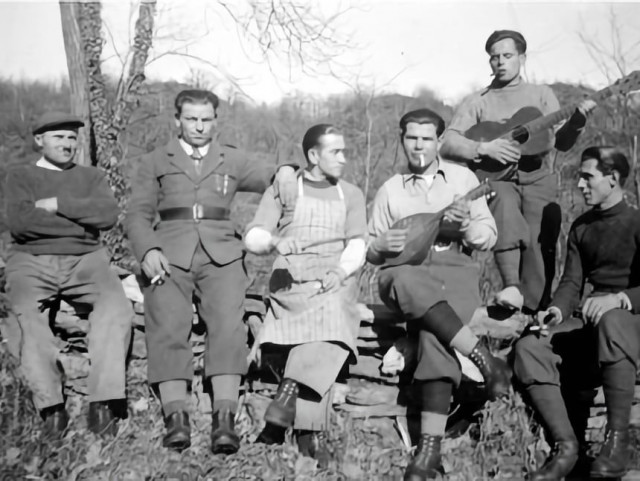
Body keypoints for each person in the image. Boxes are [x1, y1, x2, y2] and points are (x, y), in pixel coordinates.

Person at [126, 89, 300, 453]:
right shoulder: (155, 161)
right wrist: (148, 249)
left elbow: (274, 174)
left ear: (215, 120)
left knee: (227, 325)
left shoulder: (231, 158)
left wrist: (286, 168)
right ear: (177, 120)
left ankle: (224, 419)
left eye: (206, 119)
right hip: (169, 252)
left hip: (221, 253)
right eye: (191, 119)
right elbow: (138, 213)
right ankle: (177, 417)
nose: (199, 126)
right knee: (167, 324)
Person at [367, 108, 511, 481]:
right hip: (403, 274)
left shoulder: (464, 179)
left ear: (439, 142)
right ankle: (483, 359)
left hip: (453, 273)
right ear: (402, 140)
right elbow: (369, 251)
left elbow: (488, 236)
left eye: (427, 138)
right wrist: (380, 244)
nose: (419, 145)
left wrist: (465, 228)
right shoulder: (391, 189)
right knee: (404, 279)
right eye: (412, 137)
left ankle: (428, 454)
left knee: (434, 333)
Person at [440, 29, 596, 312]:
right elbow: (448, 142)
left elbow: (562, 142)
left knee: (540, 238)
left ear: (522, 58)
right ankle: (511, 288)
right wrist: (483, 149)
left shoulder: (541, 94)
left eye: (507, 56)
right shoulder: (479, 100)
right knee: (505, 207)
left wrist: (576, 122)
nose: (500, 62)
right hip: (497, 179)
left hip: (536, 176)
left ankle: (536, 311)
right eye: (494, 57)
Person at [3, 111, 134, 439]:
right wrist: (78, 214)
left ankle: (102, 402)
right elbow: (21, 224)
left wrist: (53, 203)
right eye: (59, 136)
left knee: (116, 309)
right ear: (39, 140)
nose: (67, 143)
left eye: (72, 137)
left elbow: (106, 216)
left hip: (87, 260)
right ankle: (51, 407)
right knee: (25, 317)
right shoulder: (20, 176)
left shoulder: (92, 177)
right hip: (31, 260)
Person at [244, 124, 367, 466]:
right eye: (335, 152)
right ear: (313, 156)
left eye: (344, 151)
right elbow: (253, 235)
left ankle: (286, 402)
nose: (344, 158)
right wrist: (274, 241)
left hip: (330, 281)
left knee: (334, 312)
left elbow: (358, 244)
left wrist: (340, 271)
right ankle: (308, 434)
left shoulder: (351, 194)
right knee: (321, 331)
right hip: (291, 284)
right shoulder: (286, 188)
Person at [514, 147, 640, 480]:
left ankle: (617, 444)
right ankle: (567, 448)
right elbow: (572, 282)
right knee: (530, 346)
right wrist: (555, 310)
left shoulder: (637, 222)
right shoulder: (582, 227)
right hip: (594, 323)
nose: (581, 184)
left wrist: (619, 300)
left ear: (612, 179)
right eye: (579, 176)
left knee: (611, 321)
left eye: (588, 176)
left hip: (630, 323)